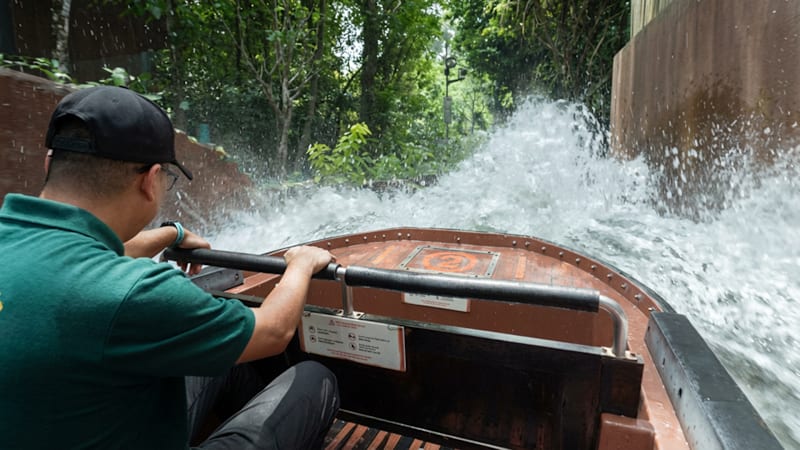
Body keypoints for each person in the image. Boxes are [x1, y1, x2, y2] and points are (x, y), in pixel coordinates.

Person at [0, 86, 339, 449]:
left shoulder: (19, 241)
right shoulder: (134, 291)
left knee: (223, 362)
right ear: (150, 180)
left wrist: (169, 234)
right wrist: (301, 264)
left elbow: (81, 261)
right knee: (312, 378)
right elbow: (273, 331)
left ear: (49, 163)